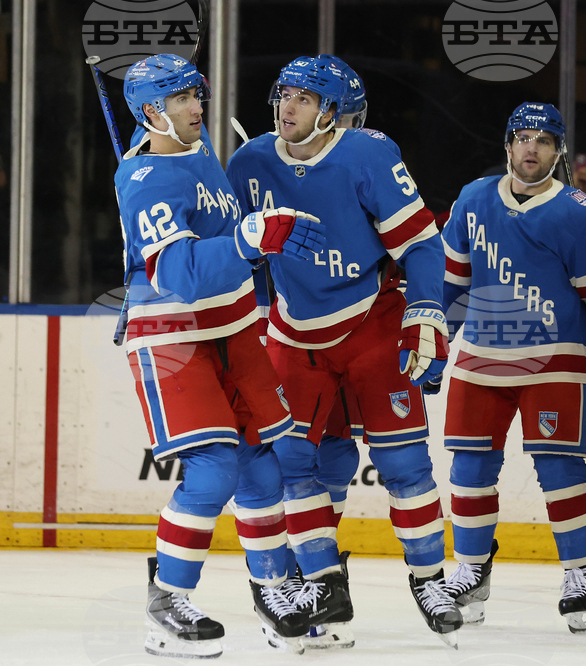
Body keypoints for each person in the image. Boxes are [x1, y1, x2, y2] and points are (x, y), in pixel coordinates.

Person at [225, 55, 462, 647]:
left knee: (405, 464)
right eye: (285, 95)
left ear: (333, 115)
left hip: (371, 323)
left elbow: (422, 245)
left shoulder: (367, 154)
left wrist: (425, 311)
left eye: (305, 99)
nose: (289, 108)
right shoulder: (249, 161)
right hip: (292, 331)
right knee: (293, 466)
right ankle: (323, 584)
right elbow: (223, 245)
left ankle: (429, 579)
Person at [116, 54, 325, 657]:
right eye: (182, 100)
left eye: (195, 96)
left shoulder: (195, 140)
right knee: (213, 470)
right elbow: (178, 272)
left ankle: (274, 590)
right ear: (153, 110)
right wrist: (247, 238)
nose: (198, 108)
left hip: (233, 326)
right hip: (174, 333)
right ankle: (167, 600)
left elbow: (179, 145)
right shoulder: (147, 181)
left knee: (262, 466)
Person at [438, 102, 586, 635]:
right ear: (508, 145)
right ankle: (471, 571)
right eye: (523, 137)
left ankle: (581, 576)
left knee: (560, 470)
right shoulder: (472, 199)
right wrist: (432, 341)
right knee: (469, 469)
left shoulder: (578, 211)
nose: (532, 147)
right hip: (480, 357)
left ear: (558, 153)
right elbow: (450, 287)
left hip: (554, 359)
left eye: (544, 140)